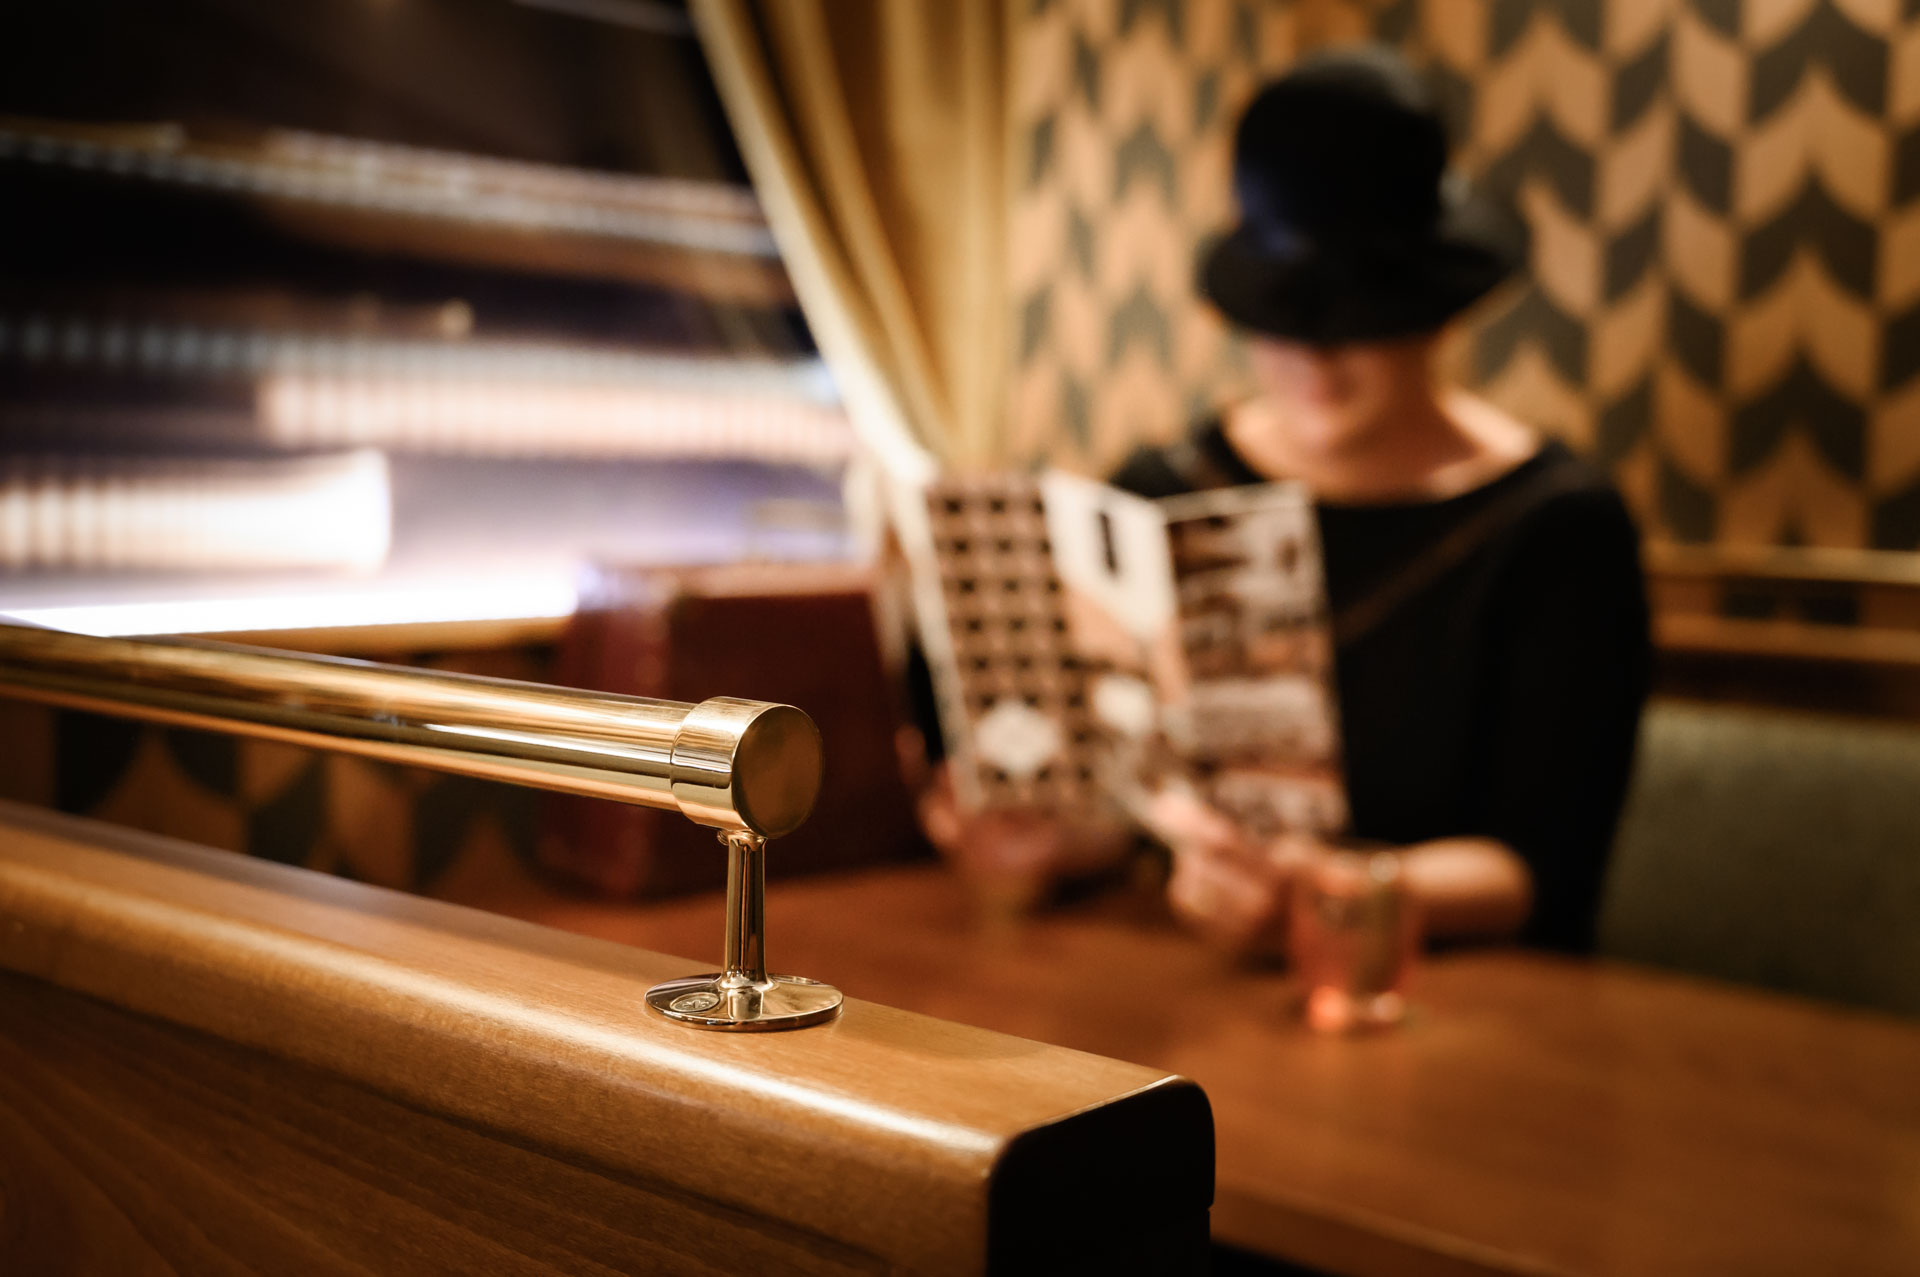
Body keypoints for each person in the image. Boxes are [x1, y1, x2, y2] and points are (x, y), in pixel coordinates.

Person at [1110, 46, 1651, 954]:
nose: (1316, 360)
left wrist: (1329, 892)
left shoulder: (1558, 526)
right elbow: (1118, 793)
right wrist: (1036, 834)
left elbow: (1545, 868)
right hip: (1149, 997)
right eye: (1285, 319)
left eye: (1363, 320)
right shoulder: (1153, 491)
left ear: (1441, 307)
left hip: (1442, 1010)